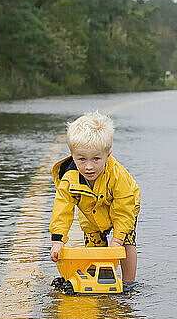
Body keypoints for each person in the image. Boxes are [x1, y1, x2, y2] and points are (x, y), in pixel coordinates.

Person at [49, 111, 140, 289]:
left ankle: (129, 283)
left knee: (126, 241)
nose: (89, 166)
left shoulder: (117, 176)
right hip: (91, 212)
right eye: (81, 159)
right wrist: (57, 241)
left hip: (125, 207)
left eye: (96, 159)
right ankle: (99, 281)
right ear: (72, 155)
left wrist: (117, 240)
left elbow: (124, 210)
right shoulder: (69, 179)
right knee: (94, 243)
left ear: (108, 155)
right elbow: (62, 210)